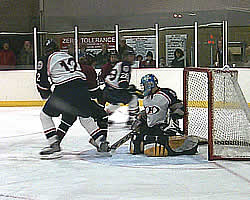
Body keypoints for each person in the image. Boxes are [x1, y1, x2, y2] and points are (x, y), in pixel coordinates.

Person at [36, 39, 110, 159]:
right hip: (82, 89)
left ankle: (54, 145)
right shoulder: (68, 56)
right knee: (84, 116)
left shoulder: (46, 59)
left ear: (47, 51)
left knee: (44, 115)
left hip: (65, 89)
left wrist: (48, 97)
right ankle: (101, 142)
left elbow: (41, 83)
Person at [130, 74, 198, 157]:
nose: (143, 87)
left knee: (153, 147)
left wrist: (177, 113)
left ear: (150, 84)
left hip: (164, 127)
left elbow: (179, 107)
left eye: (144, 85)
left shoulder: (166, 94)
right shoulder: (146, 98)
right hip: (151, 127)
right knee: (135, 144)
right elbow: (150, 111)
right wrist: (141, 117)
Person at [100, 49, 139, 125]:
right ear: (126, 57)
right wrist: (129, 88)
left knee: (116, 103)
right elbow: (122, 82)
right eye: (131, 56)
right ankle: (132, 118)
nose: (133, 58)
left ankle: (102, 116)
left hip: (108, 90)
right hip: (115, 90)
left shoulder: (120, 64)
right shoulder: (126, 65)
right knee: (133, 98)